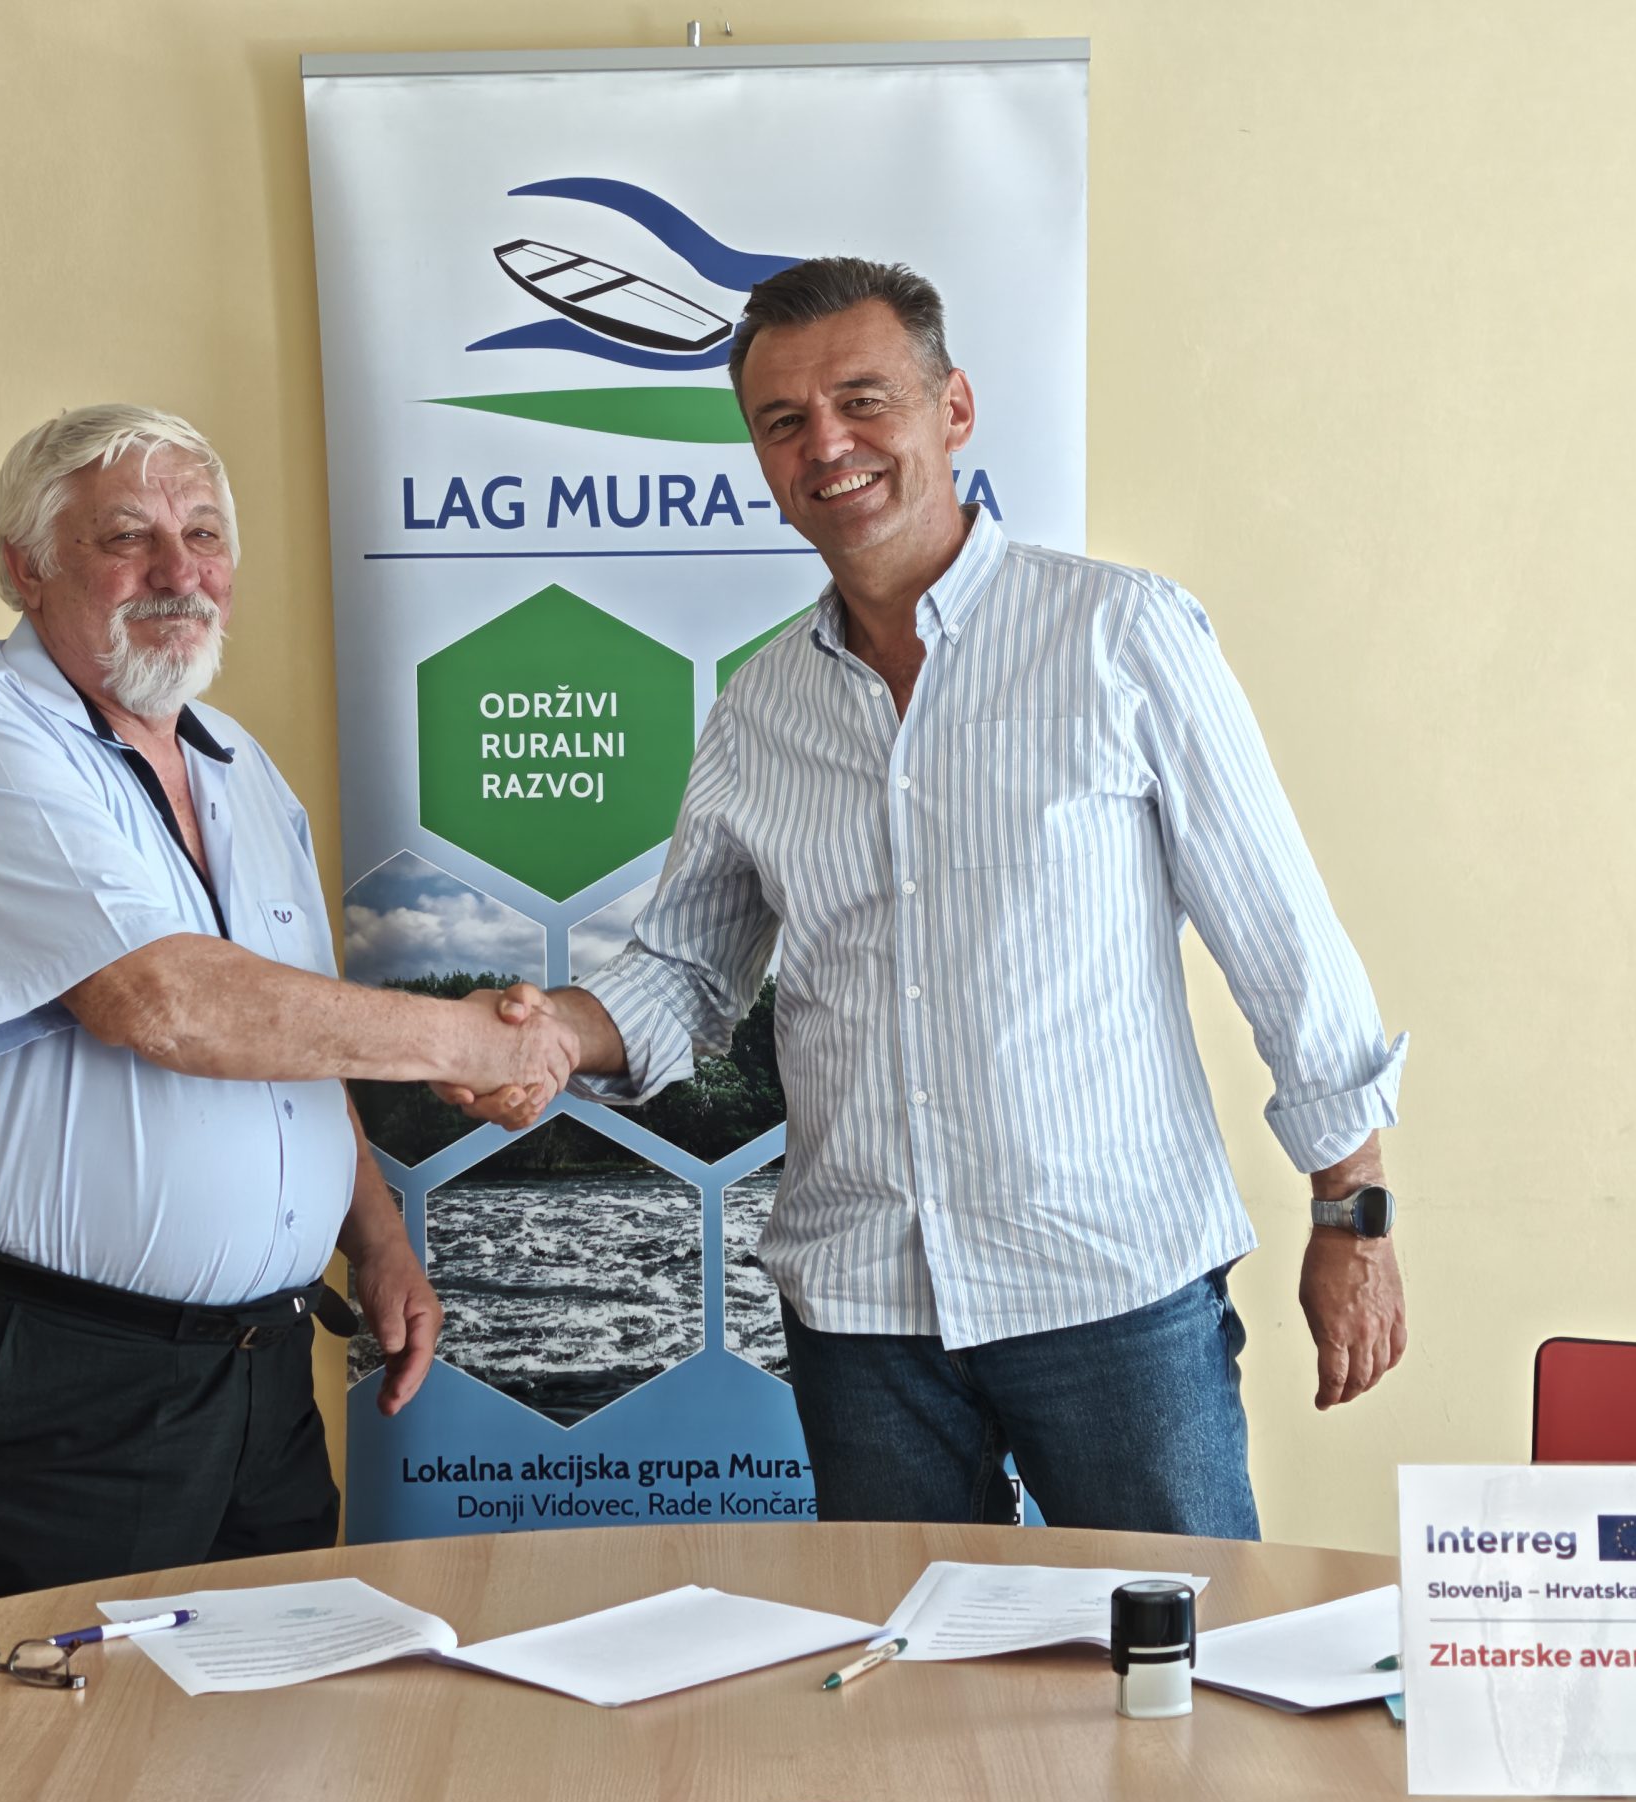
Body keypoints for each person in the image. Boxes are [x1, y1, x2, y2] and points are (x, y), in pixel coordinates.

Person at [448, 261, 1408, 1537]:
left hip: (1109, 1295)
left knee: (1178, 1646)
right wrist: (555, 1037)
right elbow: (681, 973)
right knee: (904, 1658)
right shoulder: (757, 710)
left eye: (863, 401)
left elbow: (1278, 932)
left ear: (952, 409)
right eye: (783, 422)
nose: (825, 445)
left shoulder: (1119, 636)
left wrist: (1351, 1211)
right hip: (865, 1322)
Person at [0, 404, 576, 1618]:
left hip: (255, 1379)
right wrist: (466, 1039)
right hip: (42, 1386)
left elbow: (292, 1036)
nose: (178, 572)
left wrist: (377, 1240)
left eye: (204, 535)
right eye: (126, 537)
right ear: (24, 568)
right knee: (55, 1737)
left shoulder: (239, 764)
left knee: (273, 1721)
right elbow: (164, 1001)